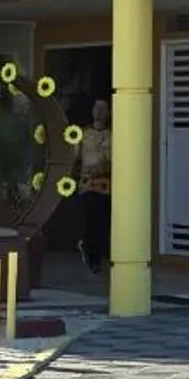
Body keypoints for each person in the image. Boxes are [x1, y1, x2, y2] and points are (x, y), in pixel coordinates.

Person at [77, 99, 112, 277]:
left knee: (101, 221)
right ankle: (91, 255)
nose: (99, 111)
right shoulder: (83, 133)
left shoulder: (112, 134)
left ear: (108, 113)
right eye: (96, 107)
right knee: (89, 219)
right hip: (86, 182)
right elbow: (75, 157)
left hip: (104, 183)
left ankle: (96, 253)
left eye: (103, 108)